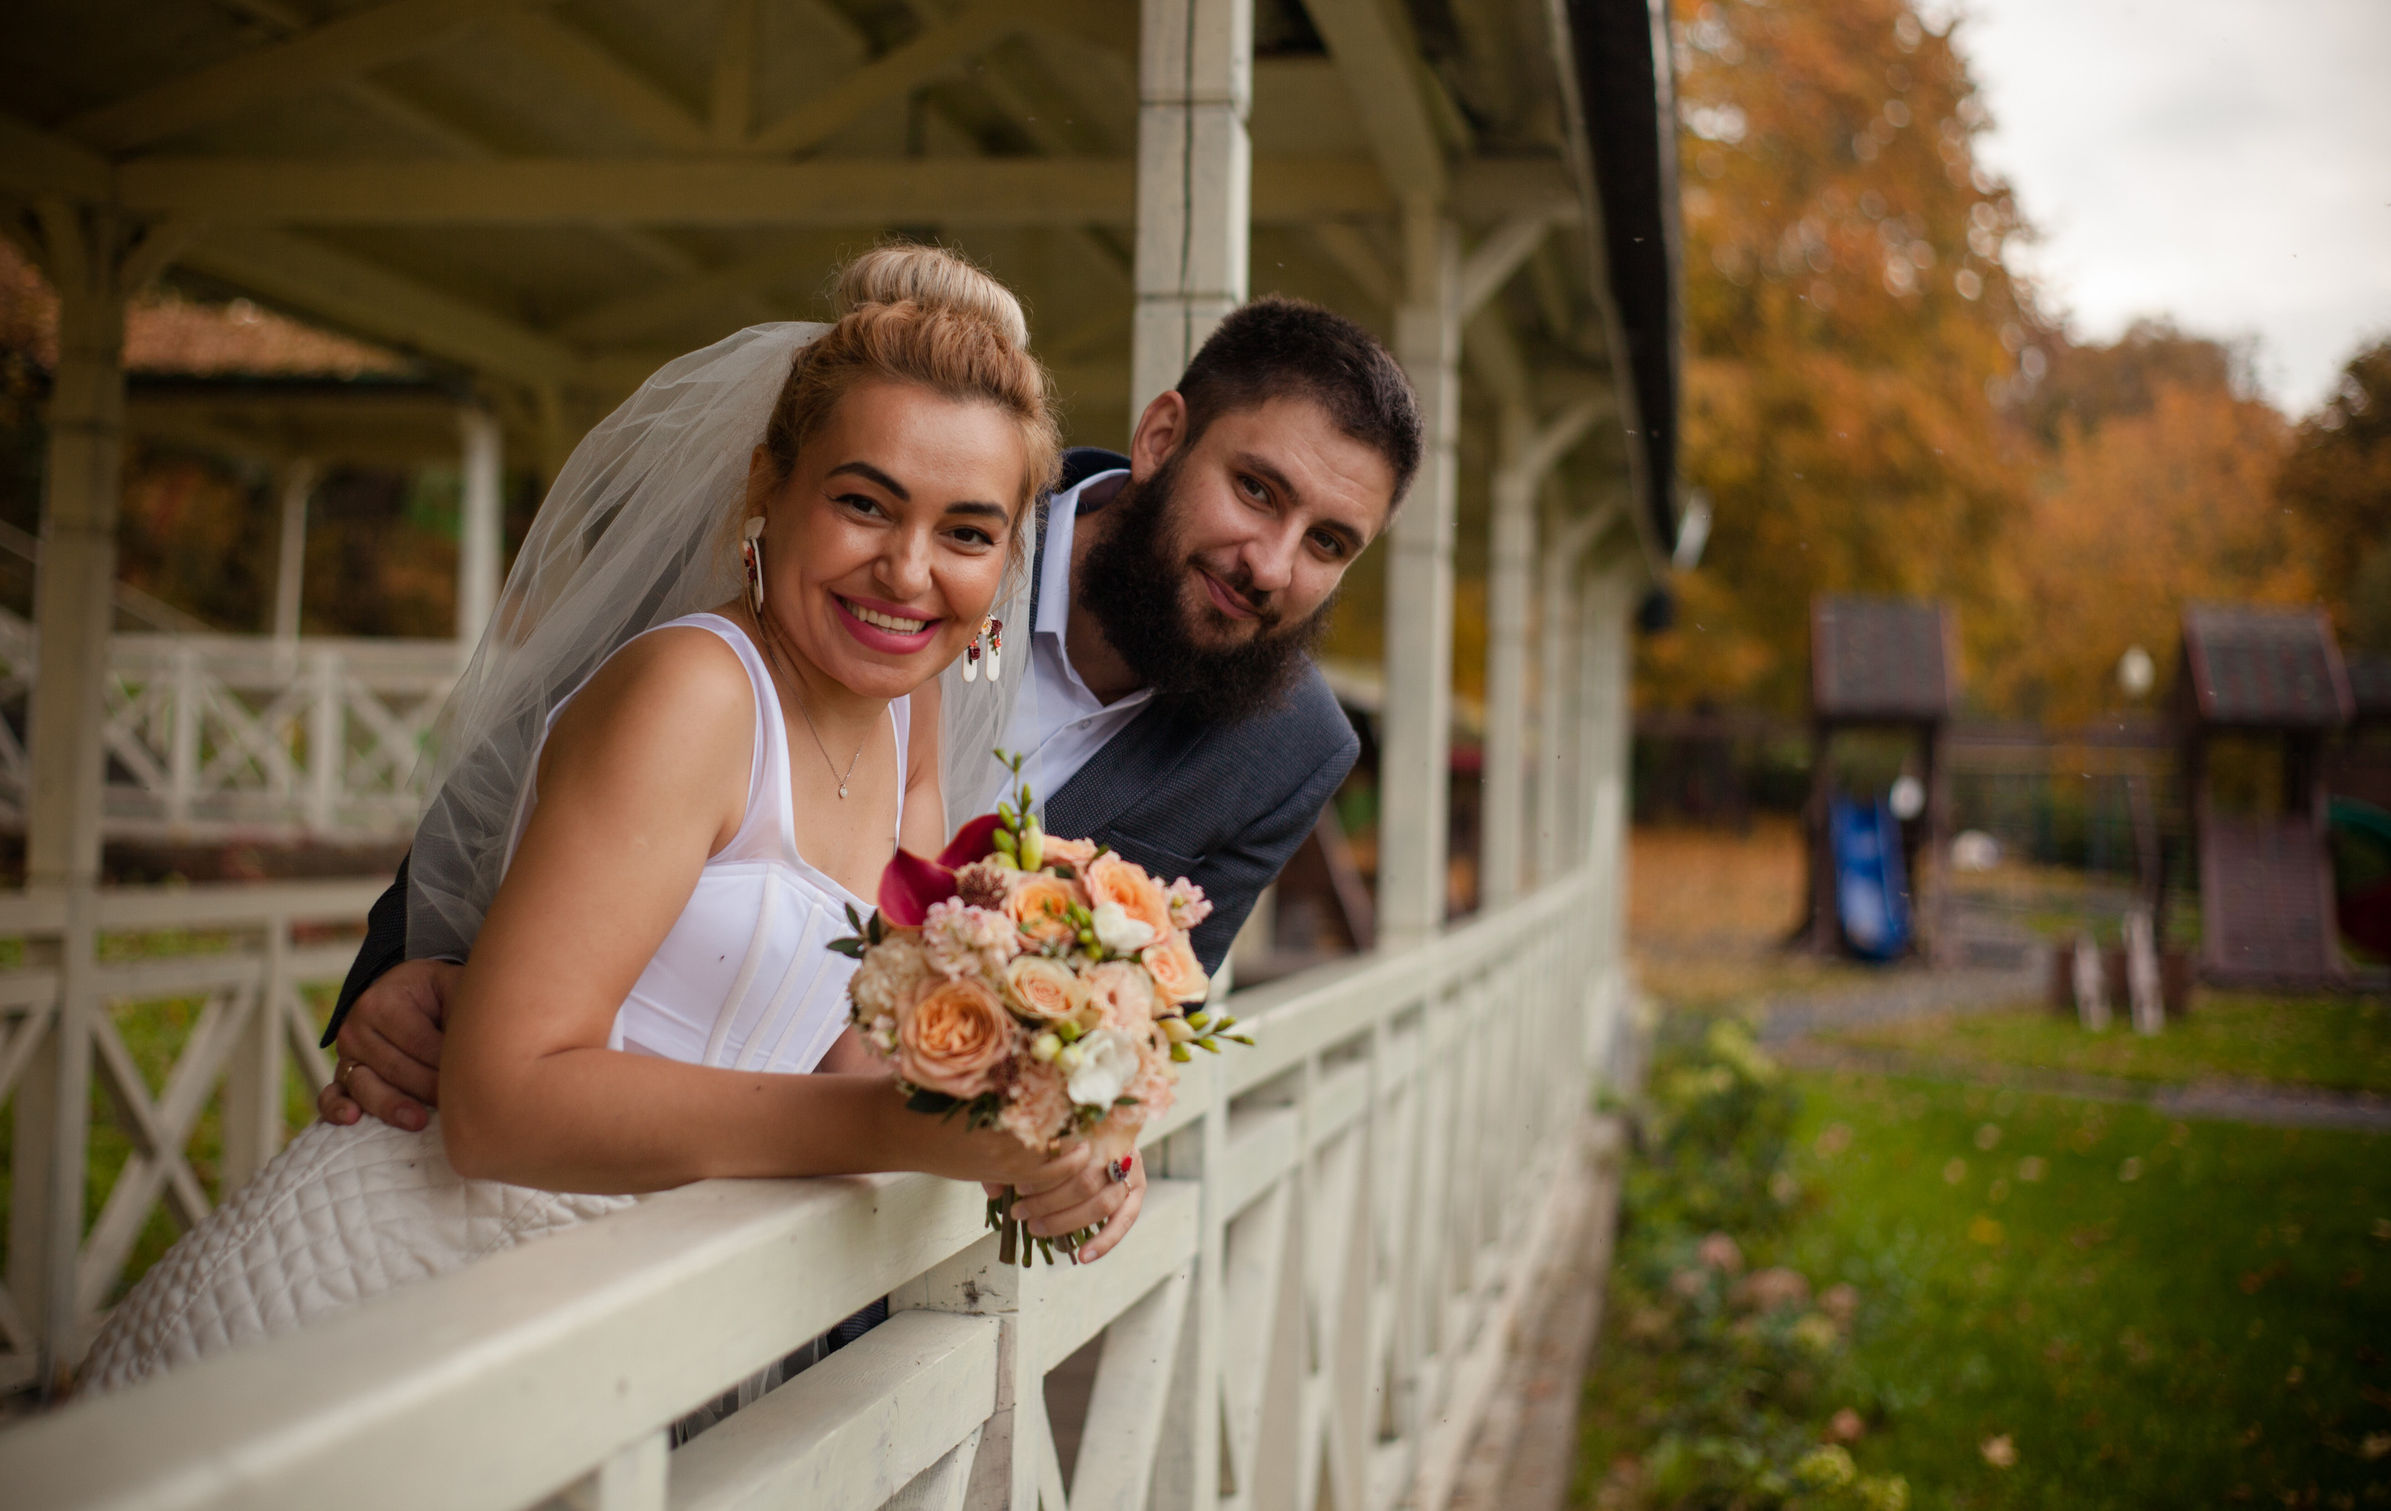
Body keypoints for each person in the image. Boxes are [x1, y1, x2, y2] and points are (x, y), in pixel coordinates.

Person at [80, 248, 1135, 1393]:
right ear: (765, 488)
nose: (907, 570)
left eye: (967, 533)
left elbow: (856, 1042)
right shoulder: (692, 693)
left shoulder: (906, 717)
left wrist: (1044, 1118)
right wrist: (890, 1132)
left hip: (610, 1323)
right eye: (863, 503)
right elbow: (501, 1107)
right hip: (391, 1310)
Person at [322, 295, 1425, 1140]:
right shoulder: (899, 529)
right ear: (1161, 437)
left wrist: (1090, 1145)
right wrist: (400, 966)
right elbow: (554, 730)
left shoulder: (1291, 755)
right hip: (529, 1124)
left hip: (820, 1254)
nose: (1271, 565)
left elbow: (1134, 1023)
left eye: (1330, 544)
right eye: (1257, 491)